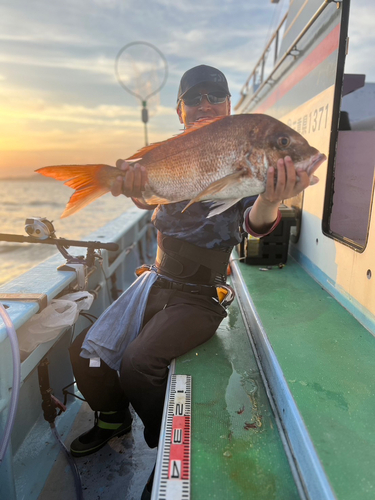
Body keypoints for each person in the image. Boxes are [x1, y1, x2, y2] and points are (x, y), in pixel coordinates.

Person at [69, 65, 312, 499]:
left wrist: (272, 197)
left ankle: (165, 449)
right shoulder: (182, 150)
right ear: (179, 110)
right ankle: (112, 419)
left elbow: (257, 224)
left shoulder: (245, 151)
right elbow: (151, 195)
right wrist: (131, 185)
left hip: (201, 293)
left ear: (228, 104)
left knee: (139, 363)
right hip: (157, 278)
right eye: (195, 98)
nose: (205, 105)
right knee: (83, 353)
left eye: (214, 96)